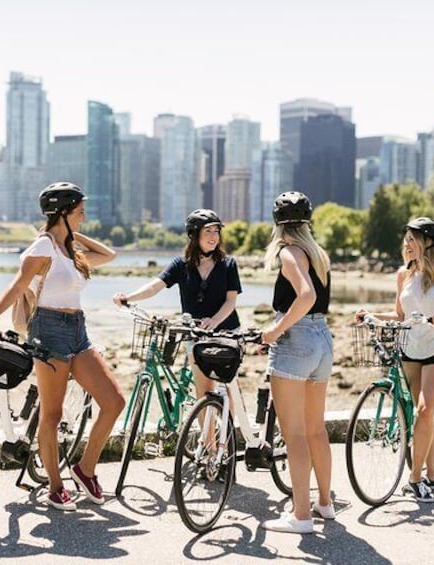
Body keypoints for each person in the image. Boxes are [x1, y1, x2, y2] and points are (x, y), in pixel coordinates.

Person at [0, 182, 125, 511]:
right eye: (79, 209)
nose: (85, 213)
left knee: (113, 401)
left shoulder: (68, 250)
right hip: (48, 331)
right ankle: (55, 486)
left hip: (78, 330)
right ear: (64, 211)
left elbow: (109, 255)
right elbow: (18, 285)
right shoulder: (43, 247)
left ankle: (85, 469)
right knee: (51, 414)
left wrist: (71, 235)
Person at [355, 217, 434, 503]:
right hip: (411, 346)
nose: (406, 244)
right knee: (425, 414)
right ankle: (433, 475)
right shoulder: (402, 275)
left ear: (428, 243)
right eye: (405, 238)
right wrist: (371, 315)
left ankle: (415, 479)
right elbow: (400, 316)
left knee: (424, 409)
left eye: (412, 239)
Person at [260, 191, 335, 535]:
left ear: (278, 225)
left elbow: (306, 296)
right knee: (316, 429)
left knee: (294, 435)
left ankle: (301, 516)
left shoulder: (289, 253)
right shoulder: (318, 253)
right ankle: (325, 503)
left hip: (297, 342)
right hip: (322, 340)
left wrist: (276, 329)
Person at [112, 209, 242, 396]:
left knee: (229, 389)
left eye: (216, 231)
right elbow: (155, 286)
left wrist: (214, 321)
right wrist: (128, 298)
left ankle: (229, 425)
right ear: (194, 234)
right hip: (195, 334)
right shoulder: (181, 265)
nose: (214, 236)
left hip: (226, 332)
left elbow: (231, 301)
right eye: (208, 231)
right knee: (204, 391)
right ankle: (209, 427)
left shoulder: (228, 264)